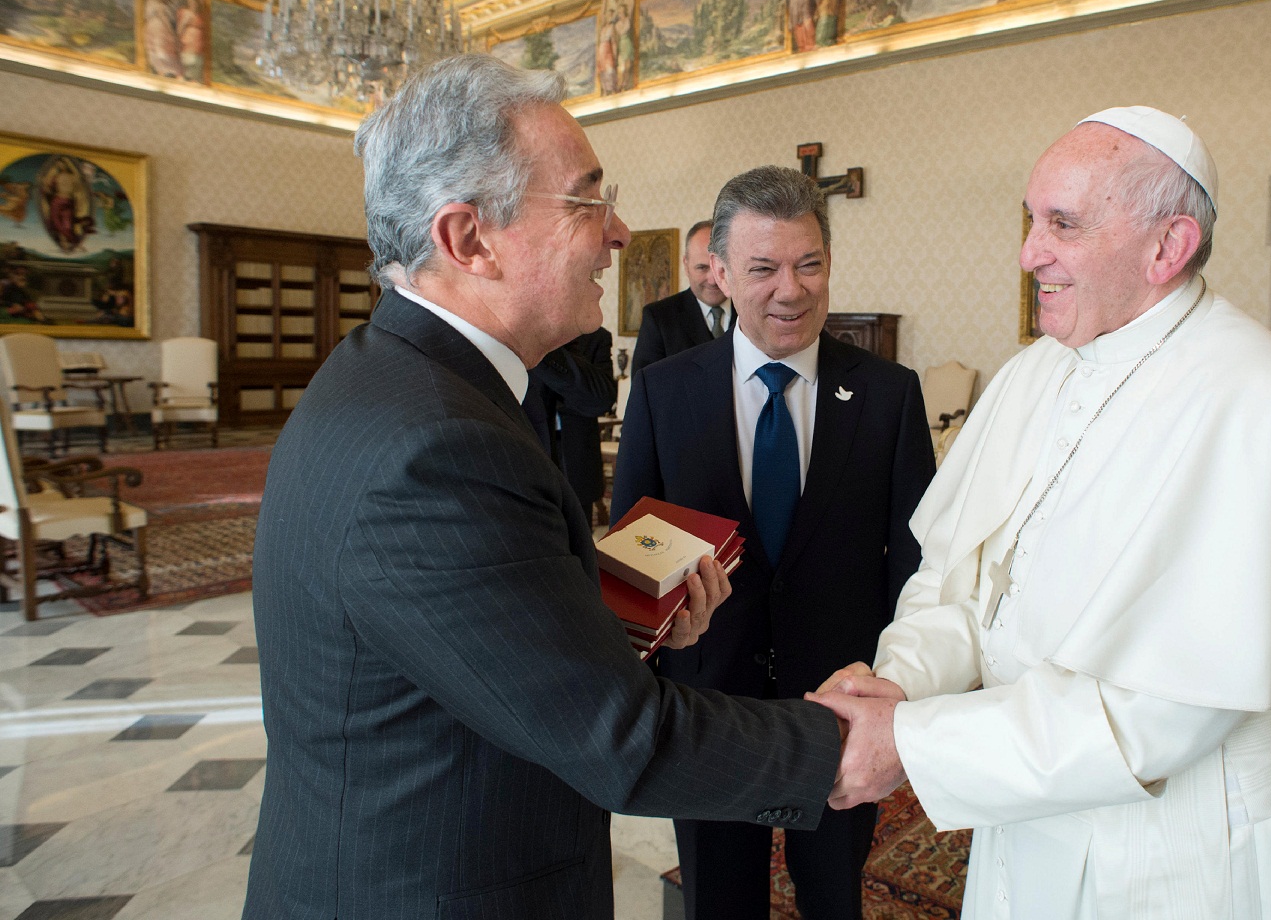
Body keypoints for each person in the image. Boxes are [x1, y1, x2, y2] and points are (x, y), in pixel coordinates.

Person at [244, 55, 844, 920]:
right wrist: (855, 744)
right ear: (468, 239)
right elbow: (625, 744)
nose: (620, 232)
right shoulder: (439, 443)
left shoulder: (399, 378)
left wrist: (621, 627)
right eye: (587, 200)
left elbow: (471, 647)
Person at [811, 107, 1271, 919]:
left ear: (1168, 247)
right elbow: (962, 583)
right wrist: (900, 680)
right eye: (1031, 220)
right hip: (1029, 803)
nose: (1030, 253)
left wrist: (911, 744)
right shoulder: (1034, 375)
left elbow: (1161, 715)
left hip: (1200, 851)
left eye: (1063, 223)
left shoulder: (1263, 409)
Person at [612, 164, 936, 920]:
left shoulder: (890, 395)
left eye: (809, 264)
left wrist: (895, 690)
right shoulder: (664, 391)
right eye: (763, 268)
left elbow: (915, 565)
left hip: (838, 705)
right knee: (719, 900)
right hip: (706, 705)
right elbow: (635, 559)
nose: (792, 289)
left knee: (833, 896)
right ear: (719, 274)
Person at [523, 325, 615, 517]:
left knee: (580, 535)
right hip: (532, 454)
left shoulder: (597, 336)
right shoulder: (521, 336)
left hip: (579, 453)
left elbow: (601, 400)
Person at [630, 219, 735, 377]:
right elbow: (646, 388)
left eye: (720, 268)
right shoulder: (659, 318)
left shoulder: (752, 310)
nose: (713, 280)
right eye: (702, 267)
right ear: (686, 265)